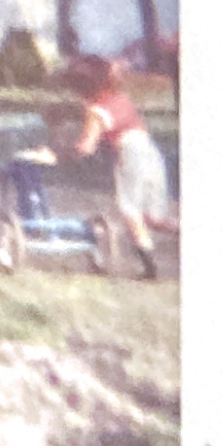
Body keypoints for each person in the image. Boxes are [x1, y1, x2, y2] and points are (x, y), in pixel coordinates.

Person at [68, 54, 174, 278]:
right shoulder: (122, 99)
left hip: (129, 154)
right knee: (153, 218)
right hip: (150, 151)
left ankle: (149, 268)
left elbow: (87, 146)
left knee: (130, 210)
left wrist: (67, 151)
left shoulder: (96, 111)